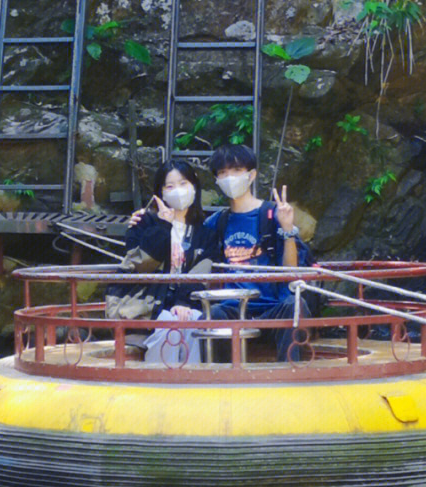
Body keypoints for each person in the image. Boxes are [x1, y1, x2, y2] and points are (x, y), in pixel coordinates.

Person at [198, 143, 312, 361]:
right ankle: (218, 381)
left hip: (273, 308)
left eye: (236, 170)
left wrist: (288, 230)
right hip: (234, 310)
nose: (229, 177)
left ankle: (289, 377)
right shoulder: (216, 222)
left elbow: (292, 272)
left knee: (294, 304)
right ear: (216, 180)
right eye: (223, 172)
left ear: (251, 175)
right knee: (213, 314)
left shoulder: (272, 213)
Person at [123, 159, 206, 365]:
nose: (178, 190)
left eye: (184, 183)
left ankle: (192, 384)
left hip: (186, 303)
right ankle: (158, 384)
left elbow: (203, 269)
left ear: (194, 187)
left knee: (195, 321)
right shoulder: (143, 223)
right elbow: (138, 265)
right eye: (170, 186)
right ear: (160, 192)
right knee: (169, 324)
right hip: (150, 304)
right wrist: (163, 225)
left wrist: (183, 302)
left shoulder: (205, 230)